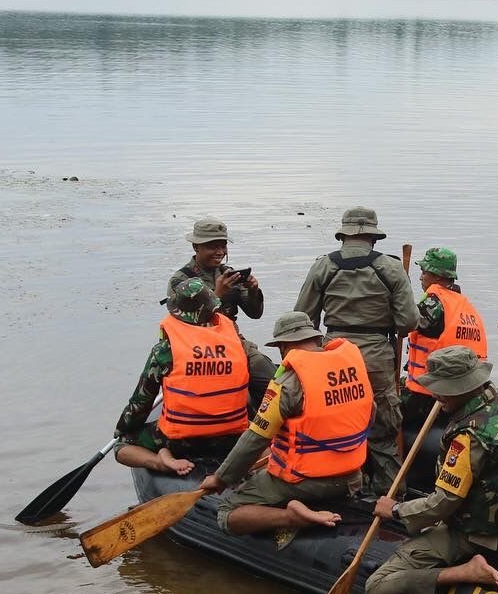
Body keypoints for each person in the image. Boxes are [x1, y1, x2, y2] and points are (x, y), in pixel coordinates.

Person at [365, 347, 498, 594]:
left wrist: (395, 510)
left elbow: (444, 502)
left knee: (377, 586)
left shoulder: (468, 437)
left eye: (441, 390)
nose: (436, 396)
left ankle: (466, 571)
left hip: (471, 534)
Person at [198, 312, 373, 536]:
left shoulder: (288, 383)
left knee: (226, 512)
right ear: (317, 340)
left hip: (305, 482)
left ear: (283, 346)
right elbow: (370, 414)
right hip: (351, 477)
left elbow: (256, 437)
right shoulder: (352, 370)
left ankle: (290, 517)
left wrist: (221, 478)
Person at [293, 207, 417, 495]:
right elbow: (408, 322)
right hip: (375, 356)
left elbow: (303, 317)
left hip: (333, 356)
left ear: (344, 236)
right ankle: (391, 498)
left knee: (337, 426)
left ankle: (341, 490)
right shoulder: (391, 268)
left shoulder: (323, 266)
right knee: (384, 434)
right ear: (373, 237)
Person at [114, 278, 250, 477]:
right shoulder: (236, 342)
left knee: (122, 445)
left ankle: (160, 461)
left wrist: (123, 429)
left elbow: (140, 404)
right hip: (231, 437)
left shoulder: (164, 350)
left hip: (182, 442)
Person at [167, 217, 276, 407]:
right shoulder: (180, 280)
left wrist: (252, 290)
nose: (219, 252)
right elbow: (184, 324)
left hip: (233, 342)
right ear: (196, 247)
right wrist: (217, 295)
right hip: (198, 350)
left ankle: (265, 430)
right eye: (212, 247)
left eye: (223, 246)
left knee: (273, 384)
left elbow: (255, 313)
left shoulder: (229, 273)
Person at [400, 246, 488, 426]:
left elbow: (403, 322)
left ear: (438, 276)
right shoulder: (465, 307)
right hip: (465, 391)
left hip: (429, 395)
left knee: (385, 416)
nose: (420, 277)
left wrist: (399, 291)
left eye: (424, 272)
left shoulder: (434, 303)